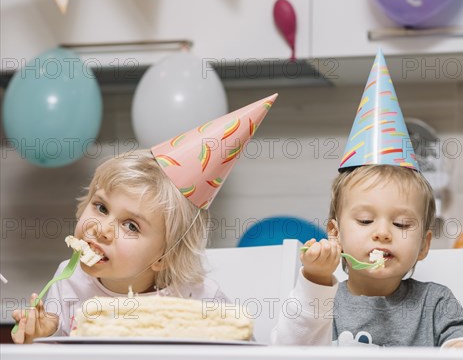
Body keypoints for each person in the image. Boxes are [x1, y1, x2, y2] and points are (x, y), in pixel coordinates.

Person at [11, 94, 278, 343]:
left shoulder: (201, 300)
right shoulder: (69, 283)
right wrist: (42, 337)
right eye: (101, 207)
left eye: (131, 225)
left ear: (164, 256)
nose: (102, 229)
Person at [271, 51, 463, 348]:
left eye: (401, 223)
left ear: (424, 245)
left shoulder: (434, 303)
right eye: (365, 220)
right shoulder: (324, 299)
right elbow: (286, 354)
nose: (383, 232)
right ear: (335, 234)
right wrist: (314, 281)